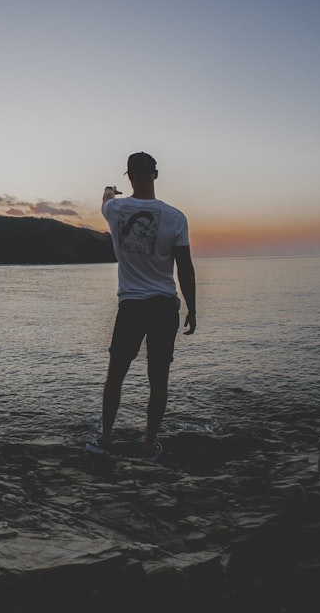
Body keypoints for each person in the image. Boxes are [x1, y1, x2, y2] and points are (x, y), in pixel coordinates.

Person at [87, 151, 196, 461]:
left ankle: (105, 439)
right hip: (164, 306)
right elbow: (185, 267)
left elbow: (106, 200)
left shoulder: (117, 209)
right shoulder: (175, 217)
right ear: (156, 175)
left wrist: (111, 190)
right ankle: (149, 445)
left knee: (116, 374)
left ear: (129, 176)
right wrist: (193, 308)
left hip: (132, 307)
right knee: (158, 378)